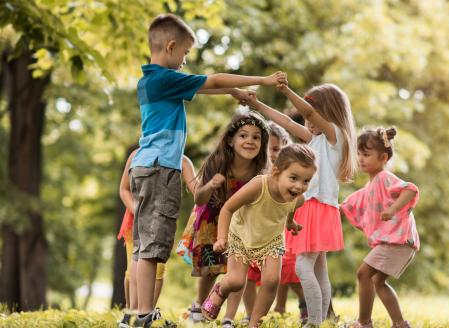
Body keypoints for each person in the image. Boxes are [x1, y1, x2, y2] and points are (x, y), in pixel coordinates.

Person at [130, 13, 285, 327]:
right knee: (153, 247)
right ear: (171, 46)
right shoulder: (163, 78)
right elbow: (211, 80)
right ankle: (143, 314)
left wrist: (232, 93)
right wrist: (263, 81)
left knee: (146, 246)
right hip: (161, 170)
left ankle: (139, 312)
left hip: (147, 167)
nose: (186, 60)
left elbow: (206, 87)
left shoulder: (152, 81)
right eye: (185, 53)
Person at [248, 82, 356, 326]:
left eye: (314, 113)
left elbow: (307, 113)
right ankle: (321, 320)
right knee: (319, 270)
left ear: (328, 113)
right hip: (312, 208)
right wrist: (256, 105)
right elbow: (287, 123)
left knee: (302, 267)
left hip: (317, 207)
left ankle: (314, 321)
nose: (308, 121)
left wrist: (285, 90)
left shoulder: (335, 136)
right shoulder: (315, 139)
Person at [201, 144, 317, 328]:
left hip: (271, 240)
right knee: (237, 281)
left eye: (306, 181)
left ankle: (255, 323)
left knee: (272, 280)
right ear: (277, 172)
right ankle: (220, 289)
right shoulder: (259, 185)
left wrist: (290, 223)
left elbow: (290, 209)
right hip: (242, 235)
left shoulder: (298, 198)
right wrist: (222, 238)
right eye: (294, 178)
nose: (299, 186)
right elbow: (228, 208)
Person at [176, 111, 270, 327]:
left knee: (238, 271)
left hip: (242, 222)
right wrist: (210, 185)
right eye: (243, 135)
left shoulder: (262, 170)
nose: (250, 141)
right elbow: (199, 198)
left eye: (256, 137)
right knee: (210, 268)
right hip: (212, 217)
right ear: (230, 139)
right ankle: (198, 306)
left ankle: (228, 316)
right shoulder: (218, 161)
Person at [341, 127, 420, 328]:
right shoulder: (371, 185)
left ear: (383, 157)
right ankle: (400, 323)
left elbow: (410, 190)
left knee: (363, 274)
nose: (361, 159)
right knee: (377, 281)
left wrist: (393, 208)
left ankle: (364, 322)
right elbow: (351, 204)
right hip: (399, 242)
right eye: (359, 154)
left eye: (366, 154)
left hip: (397, 241)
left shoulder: (385, 178)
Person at [118, 149, 196, 328]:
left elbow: (196, 187)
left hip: (161, 223)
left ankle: (147, 314)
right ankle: (131, 314)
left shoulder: (181, 160)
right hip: (134, 223)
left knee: (158, 269)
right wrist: (139, 212)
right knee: (133, 268)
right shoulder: (136, 155)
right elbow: (124, 190)